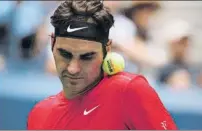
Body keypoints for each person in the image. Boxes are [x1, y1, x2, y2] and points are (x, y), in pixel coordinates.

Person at [27, 0, 177, 130]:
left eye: (87, 57)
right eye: (65, 54)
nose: (73, 68)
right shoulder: (39, 114)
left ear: (107, 49)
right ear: (52, 43)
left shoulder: (132, 90)